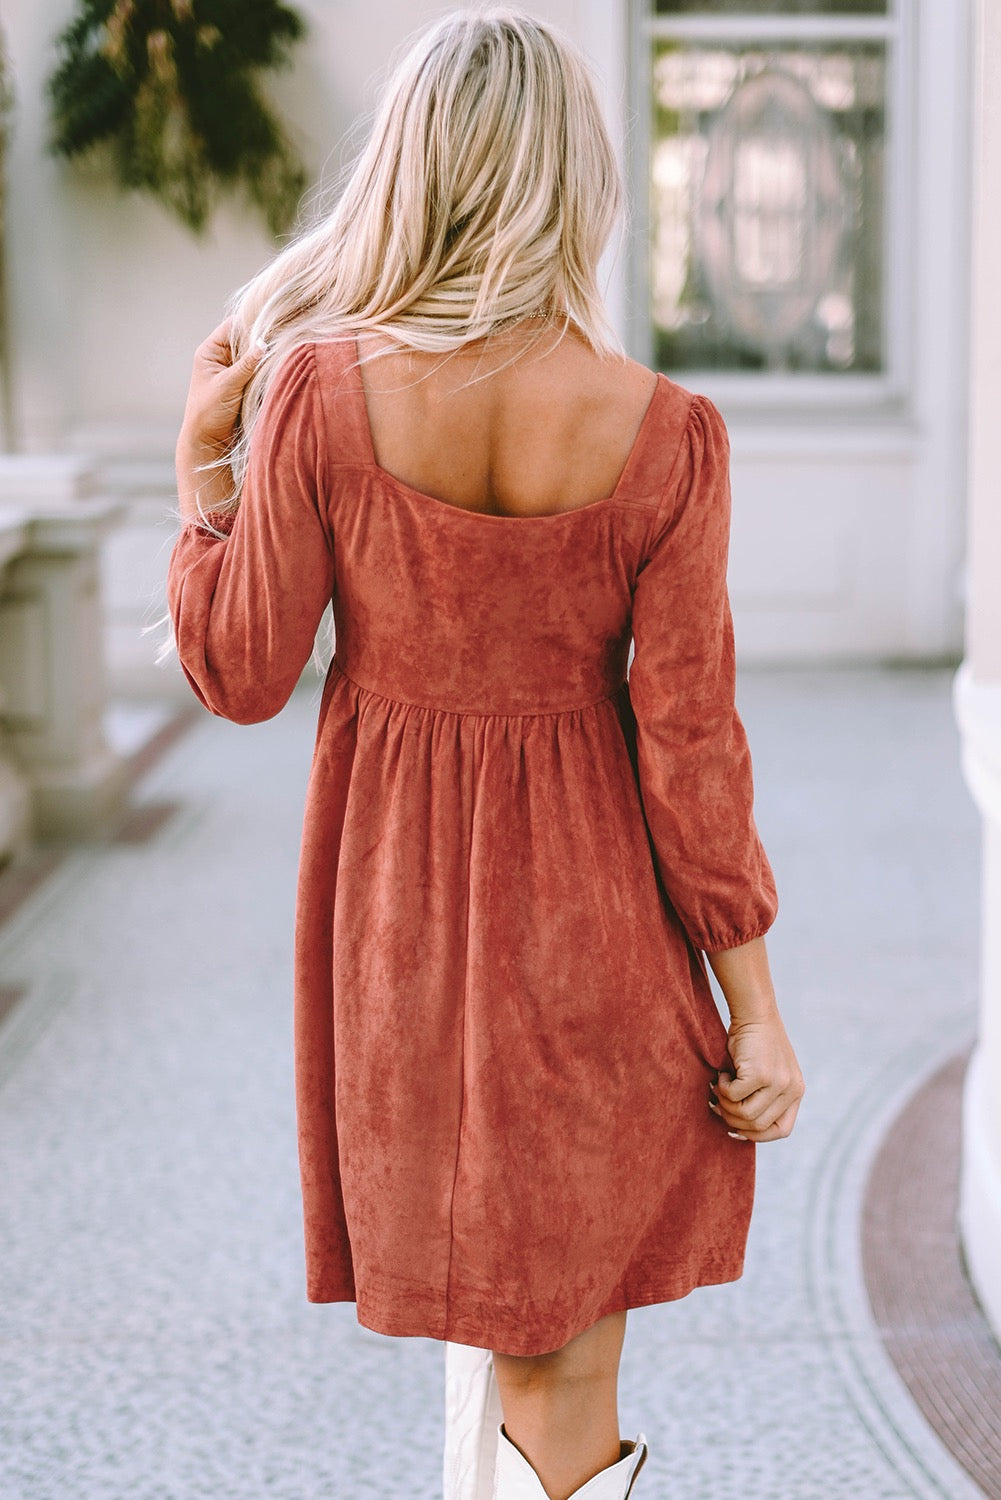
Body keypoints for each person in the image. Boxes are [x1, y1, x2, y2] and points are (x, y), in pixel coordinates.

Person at [164, 9, 805, 1499]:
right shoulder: (666, 435)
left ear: (415, 168)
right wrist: (752, 1007)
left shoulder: (321, 395)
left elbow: (242, 675)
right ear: (579, 183)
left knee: (512, 1336)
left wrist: (204, 473)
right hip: (595, 927)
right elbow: (692, 747)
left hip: (397, 930)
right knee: (561, 1348)